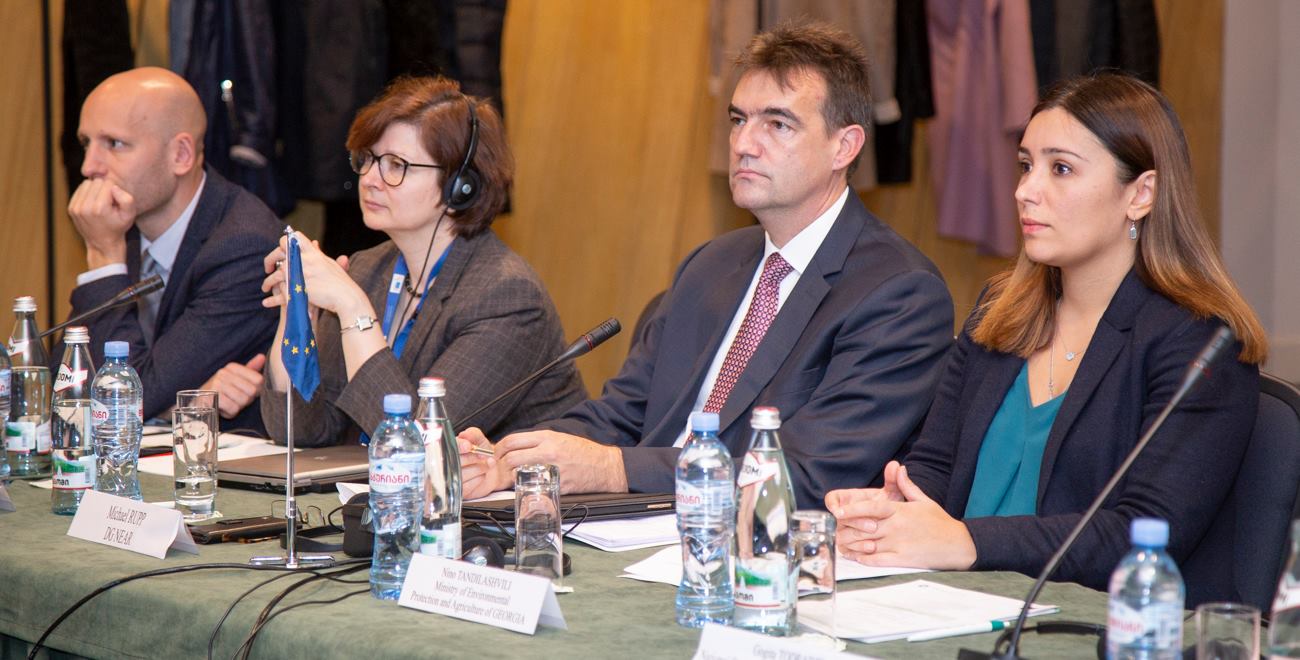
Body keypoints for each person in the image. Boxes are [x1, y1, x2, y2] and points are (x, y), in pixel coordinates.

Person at [459, 22, 954, 509]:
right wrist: (510, 458)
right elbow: (620, 416)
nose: (743, 144)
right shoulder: (711, 264)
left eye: (777, 125)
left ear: (844, 146)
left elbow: (805, 476)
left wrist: (614, 468)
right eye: (738, 120)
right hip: (638, 526)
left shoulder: (899, 294)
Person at [826, 73, 1267, 592]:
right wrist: (891, 511)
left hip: (1097, 622)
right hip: (955, 604)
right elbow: (936, 467)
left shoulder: (1199, 342)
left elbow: (1144, 534)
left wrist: (967, 542)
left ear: (1141, 194)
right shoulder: (999, 312)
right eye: (1026, 165)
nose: (1025, 191)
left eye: (1061, 169)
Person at [258, 76, 586, 446]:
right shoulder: (369, 269)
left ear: (460, 187)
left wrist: (353, 308)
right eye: (367, 160)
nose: (369, 179)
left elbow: (420, 445)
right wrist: (296, 312)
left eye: (396, 165)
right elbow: (302, 431)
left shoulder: (508, 297)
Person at [65, 67, 282, 432]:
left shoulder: (244, 246)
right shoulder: (122, 227)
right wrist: (173, 406)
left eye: (114, 144)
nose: (89, 167)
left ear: (181, 154)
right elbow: (68, 384)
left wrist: (104, 259)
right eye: (87, 143)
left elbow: (122, 401)